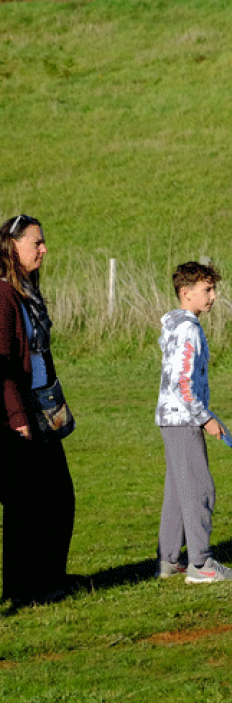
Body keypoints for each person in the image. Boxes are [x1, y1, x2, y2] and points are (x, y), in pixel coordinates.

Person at [0, 215, 77, 605]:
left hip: (42, 407)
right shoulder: (3, 294)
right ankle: (24, 589)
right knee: (27, 504)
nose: (44, 250)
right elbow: (4, 365)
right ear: (12, 246)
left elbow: (38, 355)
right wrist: (17, 420)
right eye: (36, 243)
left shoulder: (26, 291)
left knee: (56, 498)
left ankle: (48, 578)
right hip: (19, 413)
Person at [155, 261, 232, 584]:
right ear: (185, 292)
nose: (214, 296)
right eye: (207, 290)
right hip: (183, 419)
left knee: (178, 491)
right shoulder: (188, 328)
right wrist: (206, 419)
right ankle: (201, 564)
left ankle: (169, 561)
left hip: (173, 418)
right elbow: (183, 383)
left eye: (213, 289)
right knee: (199, 489)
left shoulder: (176, 325)